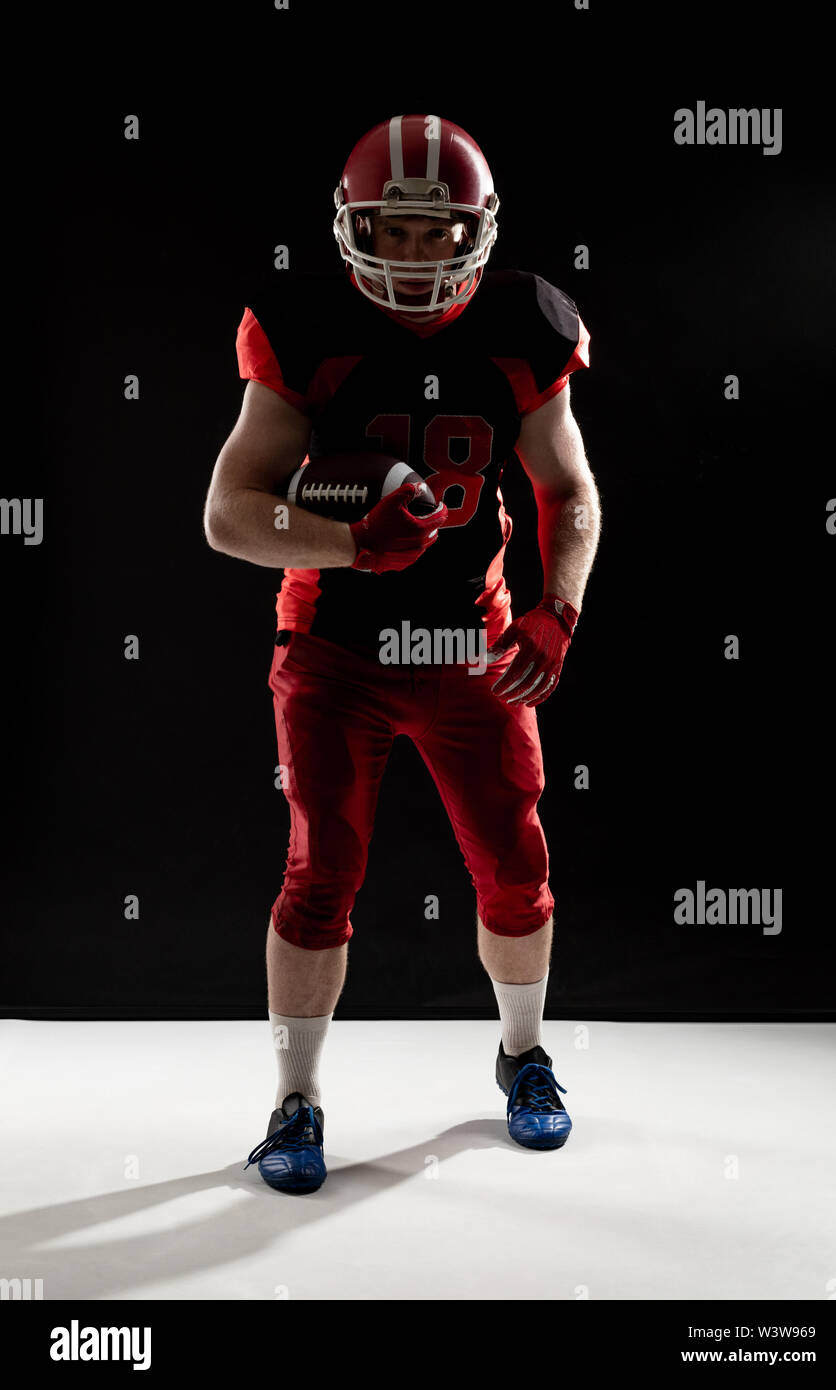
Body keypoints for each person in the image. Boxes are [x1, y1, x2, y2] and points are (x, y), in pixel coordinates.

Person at [204, 114, 601, 1194]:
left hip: (472, 645)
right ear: (349, 225)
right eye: (393, 229)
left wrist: (555, 610)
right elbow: (228, 513)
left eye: (438, 234)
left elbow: (569, 490)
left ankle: (522, 1054)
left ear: (476, 231)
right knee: (318, 874)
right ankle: (296, 1098)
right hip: (333, 645)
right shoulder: (301, 322)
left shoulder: (524, 323)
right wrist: (344, 543)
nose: (415, 256)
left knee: (515, 866)